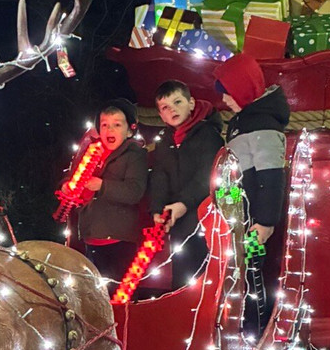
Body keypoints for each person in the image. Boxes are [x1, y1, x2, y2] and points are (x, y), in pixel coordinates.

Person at [62, 99, 147, 287]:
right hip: (91, 234)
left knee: (116, 289)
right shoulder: (91, 152)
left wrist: (102, 186)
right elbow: (71, 174)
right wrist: (66, 185)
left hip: (118, 237)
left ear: (130, 130)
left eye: (117, 125)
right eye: (105, 125)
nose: (110, 130)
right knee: (94, 289)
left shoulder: (134, 155)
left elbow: (134, 191)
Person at [149, 80, 224, 288]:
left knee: (199, 277)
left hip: (203, 220)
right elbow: (159, 176)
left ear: (191, 103)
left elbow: (206, 176)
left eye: (177, 102)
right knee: (180, 273)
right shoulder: (165, 141)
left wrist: (183, 204)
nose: (172, 109)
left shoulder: (208, 136)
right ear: (161, 115)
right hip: (177, 221)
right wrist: (157, 209)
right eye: (165, 107)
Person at [214, 53, 291, 247]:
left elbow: (271, 176)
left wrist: (265, 222)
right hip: (237, 212)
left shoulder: (262, 124)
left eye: (228, 93)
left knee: (249, 261)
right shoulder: (243, 120)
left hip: (252, 219)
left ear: (242, 89)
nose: (224, 99)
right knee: (235, 261)